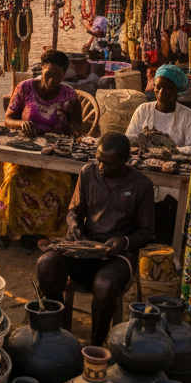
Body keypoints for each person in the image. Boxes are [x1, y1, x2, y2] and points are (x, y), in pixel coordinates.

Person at [36, 131, 155, 346]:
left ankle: (95, 347)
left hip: (118, 256)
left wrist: (124, 241)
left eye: (109, 164)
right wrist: (73, 225)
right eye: (99, 161)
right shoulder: (87, 172)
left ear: (125, 161)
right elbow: (75, 210)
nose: (102, 168)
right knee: (46, 264)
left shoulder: (141, 184)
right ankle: (59, 331)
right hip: (86, 249)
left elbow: (146, 232)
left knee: (104, 284)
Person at [0, 48, 84, 254]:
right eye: (48, 74)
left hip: (53, 154)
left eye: (58, 76)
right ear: (41, 70)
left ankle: (39, 234)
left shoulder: (69, 94)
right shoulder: (25, 87)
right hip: (25, 150)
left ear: (64, 76)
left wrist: (73, 122)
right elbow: (8, 119)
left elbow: (79, 128)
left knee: (59, 185)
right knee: (16, 181)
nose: (52, 80)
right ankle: (13, 232)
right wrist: (21, 125)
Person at [125, 64, 191, 149]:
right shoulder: (143, 110)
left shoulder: (189, 116)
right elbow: (128, 140)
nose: (161, 92)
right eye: (158, 87)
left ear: (176, 90)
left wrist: (170, 151)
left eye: (167, 88)